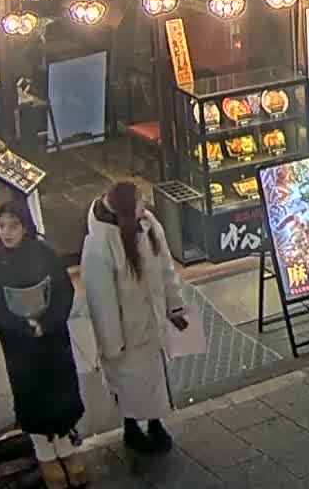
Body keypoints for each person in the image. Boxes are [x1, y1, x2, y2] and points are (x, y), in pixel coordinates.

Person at [0, 202, 87, 488]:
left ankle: (65, 446)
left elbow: (64, 291)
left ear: (25, 227)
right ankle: (44, 453)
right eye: (2, 226)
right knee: (32, 396)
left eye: (13, 225)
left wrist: (46, 323)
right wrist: (21, 327)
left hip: (52, 339)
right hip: (19, 346)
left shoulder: (45, 253)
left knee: (60, 391)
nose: (7, 232)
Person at [81, 182, 189, 454]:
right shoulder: (100, 242)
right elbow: (101, 298)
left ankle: (155, 423)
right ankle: (130, 427)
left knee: (153, 380)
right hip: (126, 332)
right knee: (127, 383)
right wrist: (111, 342)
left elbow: (165, 267)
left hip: (151, 323)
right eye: (140, 202)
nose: (145, 206)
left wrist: (175, 306)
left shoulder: (148, 225)